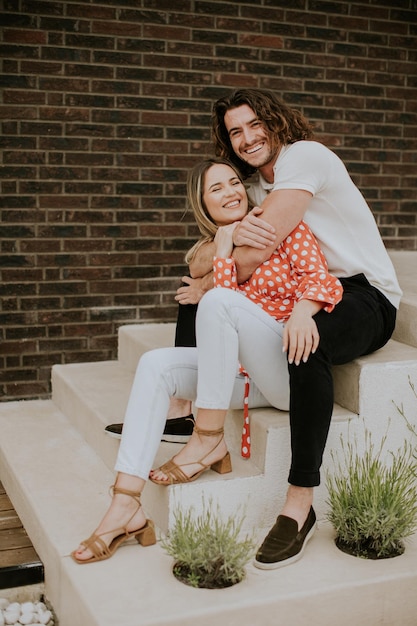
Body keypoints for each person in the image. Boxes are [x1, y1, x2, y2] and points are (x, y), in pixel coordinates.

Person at [71, 157, 343, 565]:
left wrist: (303, 312)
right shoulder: (222, 246)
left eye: (234, 182)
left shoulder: (281, 227)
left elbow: (321, 278)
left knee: (216, 299)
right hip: (240, 379)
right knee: (154, 365)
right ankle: (124, 506)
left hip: (288, 370)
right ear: (203, 204)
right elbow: (222, 311)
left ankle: (209, 435)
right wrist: (223, 245)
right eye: (216, 189)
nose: (231, 191)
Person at [178, 88, 401, 569]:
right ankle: (183, 409)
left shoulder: (305, 157)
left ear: (276, 122)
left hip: (364, 294)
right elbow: (196, 257)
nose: (246, 138)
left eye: (254, 124)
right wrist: (218, 246)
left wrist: (219, 257)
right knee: (196, 296)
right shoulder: (254, 188)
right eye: (235, 131)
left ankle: (299, 504)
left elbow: (255, 254)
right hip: (306, 289)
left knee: (304, 342)